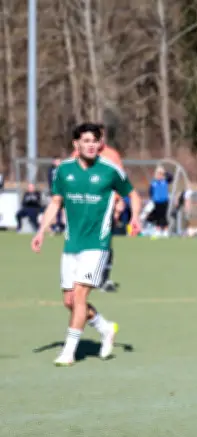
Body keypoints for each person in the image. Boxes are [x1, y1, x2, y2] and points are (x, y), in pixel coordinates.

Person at [32, 123, 143, 367]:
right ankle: (105, 328)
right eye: (86, 141)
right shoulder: (63, 171)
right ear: (76, 144)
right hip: (72, 244)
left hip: (97, 244)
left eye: (95, 141)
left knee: (80, 295)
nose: (91, 145)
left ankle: (68, 352)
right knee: (70, 301)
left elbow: (133, 195)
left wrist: (135, 217)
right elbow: (55, 202)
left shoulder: (110, 170)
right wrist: (41, 231)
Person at [72, 126, 124, 292]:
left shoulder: (112, 155)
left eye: (100, 137)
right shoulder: (78, 154)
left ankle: (103, 279)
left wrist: (118, 202)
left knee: (104, 242)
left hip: (105, 207)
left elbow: (119, 180)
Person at [147, 166, 172, 237]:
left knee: (163, 216)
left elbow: (171, 177)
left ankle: (165, 231)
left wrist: (164, 173)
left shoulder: (165, 181)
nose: (159, 175)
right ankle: (158, 230)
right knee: (157, 216)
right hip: (156, 202)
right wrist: (152, 199)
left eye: (160, 174)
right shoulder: (153, 183)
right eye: (158, 174)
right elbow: (150, 192)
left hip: (164, 201)